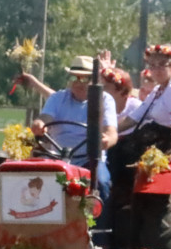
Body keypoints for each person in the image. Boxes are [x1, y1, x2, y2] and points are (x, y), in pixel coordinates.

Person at [31, 55, 118, 200]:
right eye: (74, 78)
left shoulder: (104, 100)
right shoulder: (57, 98)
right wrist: (39, 124)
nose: (78, 83)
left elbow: (111, 132)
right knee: (33, 180)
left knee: (101, 183)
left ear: (94, 80)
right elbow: (45, 118)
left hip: (90, 159)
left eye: (84, 79)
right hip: (56, 157)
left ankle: (100, 222)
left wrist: (106, 139)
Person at [117, 44, 171, 164]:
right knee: (117, 148)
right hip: (151, 137)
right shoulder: (159, 90)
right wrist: (109, 130)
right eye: (152, 66)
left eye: (162, 65)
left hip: (164, 143)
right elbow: (134, 118)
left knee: (119, 156)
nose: (156, 70)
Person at [101, 67, 141, 135]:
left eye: (105, 87)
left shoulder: (136, 107)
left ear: (121, 90)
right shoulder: (98, 107)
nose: (101, 91)